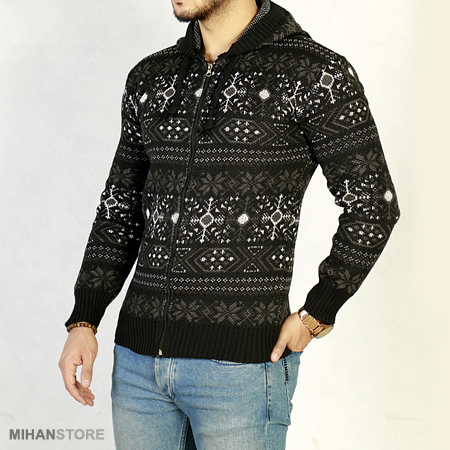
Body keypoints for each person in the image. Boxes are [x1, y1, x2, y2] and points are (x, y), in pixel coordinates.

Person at [59, 1, 400, 449]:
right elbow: (120, 207)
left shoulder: (316, 74)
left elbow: (374, 204)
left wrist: (317, 313)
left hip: (242, 369)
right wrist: (84, 319)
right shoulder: (150, 77)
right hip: (139, 367)